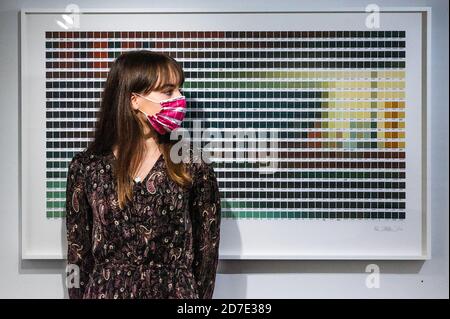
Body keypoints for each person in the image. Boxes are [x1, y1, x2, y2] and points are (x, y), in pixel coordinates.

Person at [65, 50, 221, 299]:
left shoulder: (193, 165)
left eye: (179, 89)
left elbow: (207, 257)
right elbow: (77, 253)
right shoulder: (87, 167)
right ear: (134, 100)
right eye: (168, 91)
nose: (180, 98)